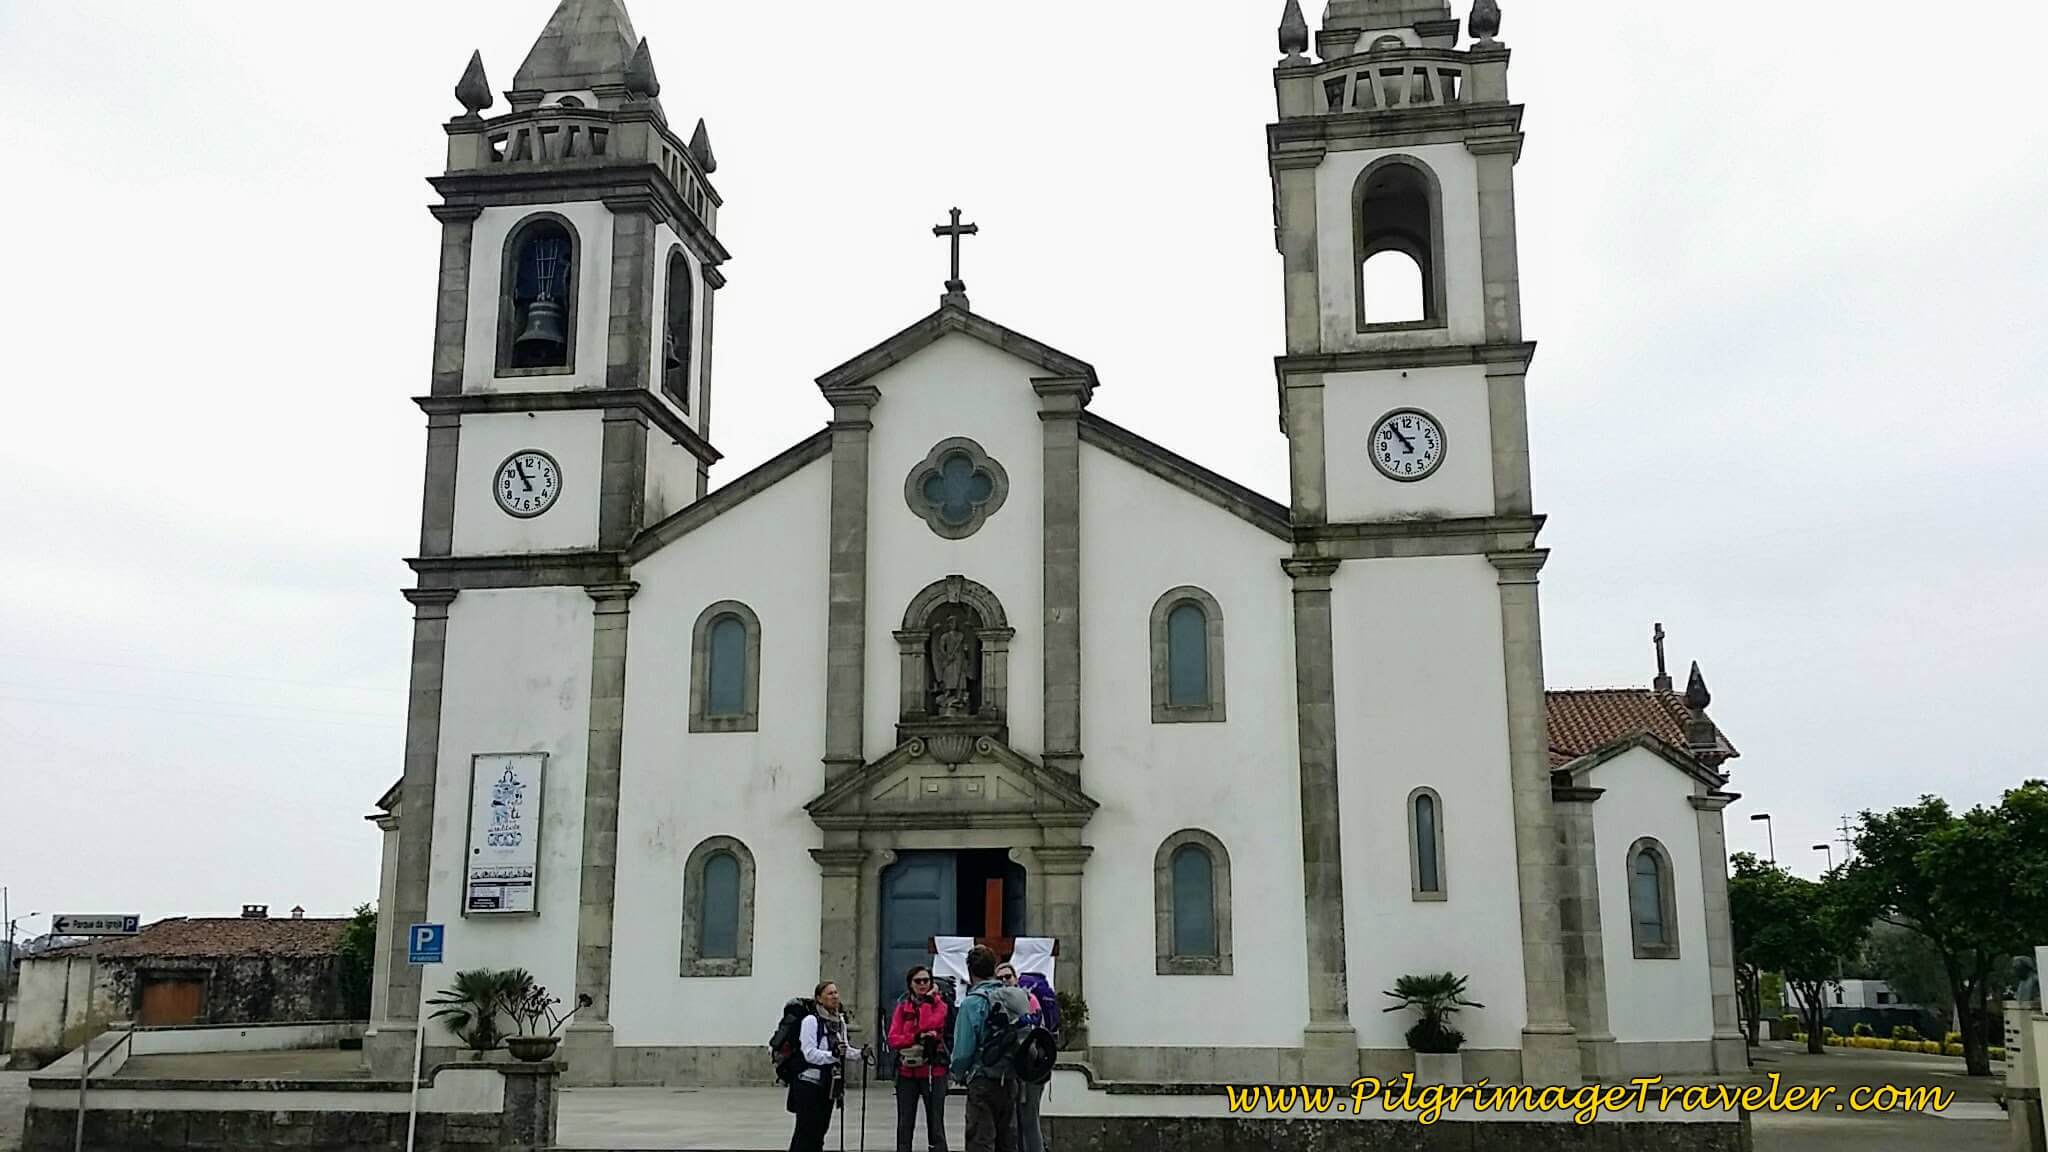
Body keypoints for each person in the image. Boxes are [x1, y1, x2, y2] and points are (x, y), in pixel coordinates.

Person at [951, 946, 1031, 1152]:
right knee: (1007, 1142)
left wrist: (958, 1073)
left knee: (981, 1141)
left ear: (970, 972)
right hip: (1011, 1078)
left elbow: (963, 1050)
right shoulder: (1015, 997)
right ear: (994, 968)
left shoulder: (972, 1003)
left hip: (982, 1079)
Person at [789, 981, 866, 1152]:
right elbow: (809, 1053)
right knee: (805, 1132)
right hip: (808, 1084)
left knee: (820, 1131)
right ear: (819, 998)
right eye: (830, 993)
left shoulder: (839, 1021)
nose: (835, 996)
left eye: (836, 993)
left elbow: (844, 1049)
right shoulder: (810, 1021)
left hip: (829, 1085)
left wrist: (861, 1054)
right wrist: (832, 1056)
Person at [886, 965, 951, 1152]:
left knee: (935, 1122)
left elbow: (926, 1024)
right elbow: (893, 1039)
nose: (922, 984)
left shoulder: (941, 1005)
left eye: (926, 980)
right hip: (907, 1072)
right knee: (905, 1123)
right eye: (918, 981)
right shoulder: (902, 1007)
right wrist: (915, 1038)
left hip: (933, 1071)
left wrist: (926, 1003)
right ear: (910, 984)